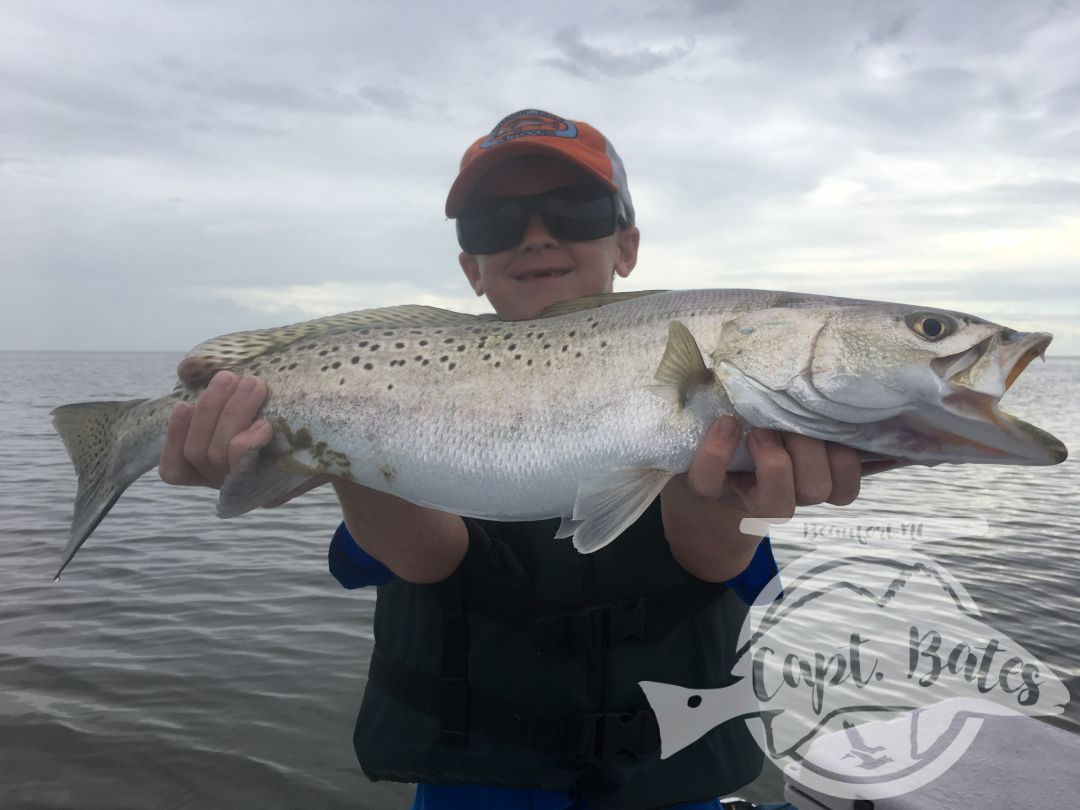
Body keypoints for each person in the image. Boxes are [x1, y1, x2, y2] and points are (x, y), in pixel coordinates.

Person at [159, 109, 863, 809]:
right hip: (471, 785)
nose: (535, 235)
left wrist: (728, 485)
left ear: (627, 244)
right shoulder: (398, 371)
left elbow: (712, 564)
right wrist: (333, 441)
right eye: (494, 222)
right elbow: (427, 559)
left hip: (664, 783)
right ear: (470, 266)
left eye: (576, 207)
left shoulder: (709, 363)